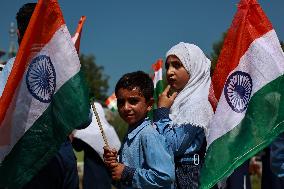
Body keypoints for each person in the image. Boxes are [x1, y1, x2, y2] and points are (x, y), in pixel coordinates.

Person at [0, 3, 89, 188]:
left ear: (18, 33)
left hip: (26, 158)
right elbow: (83, 119)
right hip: (61, 153)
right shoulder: (63, 70)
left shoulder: (9, 70)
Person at [153, 42, 213, 188]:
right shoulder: (181, 102)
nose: (169, 72)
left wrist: (162, 111)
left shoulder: (198, 105)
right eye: (168, 66)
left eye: (177, 65)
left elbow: (173, 145)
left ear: (194, 68)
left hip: (191, 176)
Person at [104, 71, 175, 188]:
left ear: (149, 104)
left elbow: (165, 176)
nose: (126, 107)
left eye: (133, 101)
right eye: (121, 102)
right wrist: (113, 165)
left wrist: (126, 173)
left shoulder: (148, 135)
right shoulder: (131, 134)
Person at [72, 102, 121, 189]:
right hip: (106, 176)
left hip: (92, 174)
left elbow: (77, 147)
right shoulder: (109, 130)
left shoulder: (84, 132)